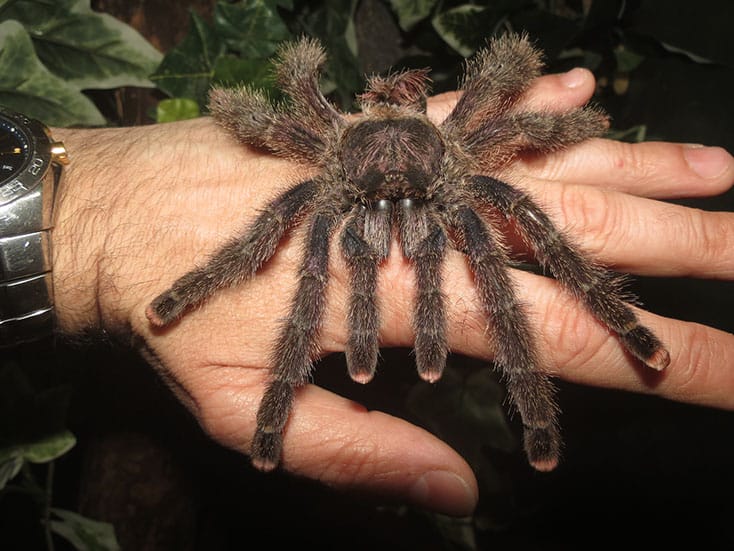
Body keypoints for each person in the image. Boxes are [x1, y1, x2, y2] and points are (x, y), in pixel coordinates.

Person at [50, 66, 734, 517]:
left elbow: (519, 98)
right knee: (302, 254)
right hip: (363, 175)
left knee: (523, 248)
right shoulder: (324, 163)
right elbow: (245, 115)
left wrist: (578, 125)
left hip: (441, 172)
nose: (394, 222)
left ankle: (562, 389)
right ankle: (218, 332)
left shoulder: (465, 147)